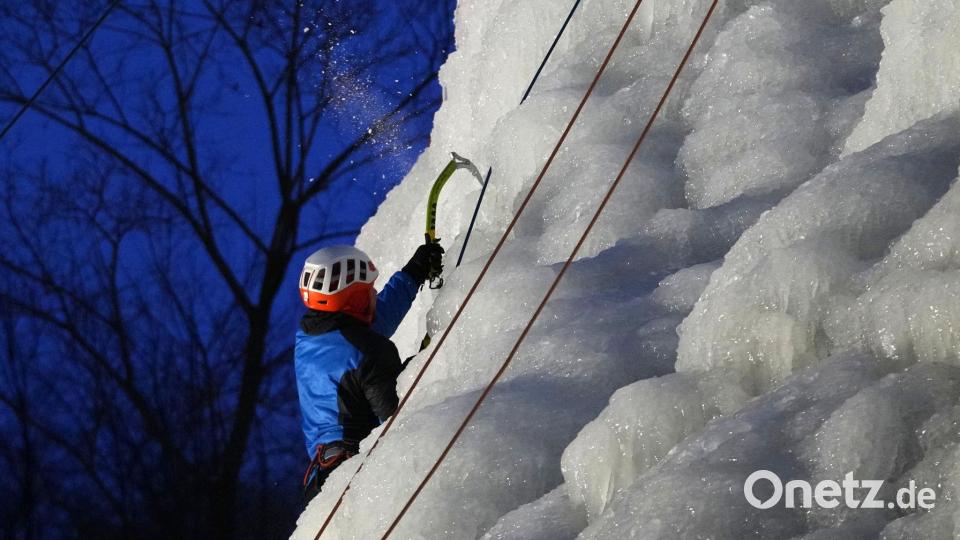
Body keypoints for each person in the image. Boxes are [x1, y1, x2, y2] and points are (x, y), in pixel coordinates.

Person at [295, 241, 443, 503]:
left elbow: (369, 325)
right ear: (356, 299)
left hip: (321, 479)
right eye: (368, 290)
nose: (373, 294)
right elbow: (397, 417)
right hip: (358, 478)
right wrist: (421, 365)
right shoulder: (369, 352)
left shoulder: (311, 335)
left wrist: (413, 272)